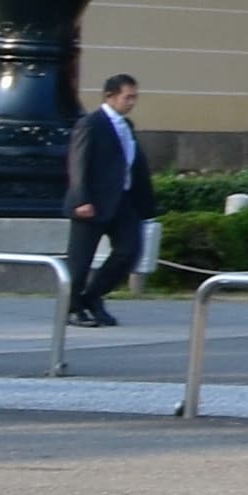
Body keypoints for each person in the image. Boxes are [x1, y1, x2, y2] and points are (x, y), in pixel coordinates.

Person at [64, 75, 153, 325]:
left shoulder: (127, 126)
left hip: (123, 200)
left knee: (130, 250)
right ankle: (72, 308)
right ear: (110, 96)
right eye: (128, 97)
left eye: (135, 97)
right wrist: (82, 199)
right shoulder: (90, 124)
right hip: (92, 202)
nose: (132, 102)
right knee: (80, 260)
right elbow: (77, 164)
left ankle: (92, 296)